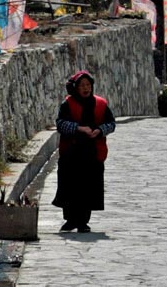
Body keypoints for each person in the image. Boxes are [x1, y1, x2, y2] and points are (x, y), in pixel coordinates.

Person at [52, 70, 116, 233]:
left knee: (89, 187)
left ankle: (83, 221)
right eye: (82, 85)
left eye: (88, 85)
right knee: (69, 187)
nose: (86, 88)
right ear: (75, 88)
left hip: (93, 154)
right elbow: (60, 124)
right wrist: (79, 129)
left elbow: (111, 123)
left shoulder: (100, 104)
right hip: (71, 154)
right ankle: (70, 219)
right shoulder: (68, 104)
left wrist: (100, 131)